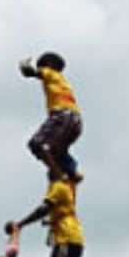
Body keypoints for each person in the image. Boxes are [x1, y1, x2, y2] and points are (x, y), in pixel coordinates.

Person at [7, 174, 84, 257]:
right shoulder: (67, 185)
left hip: (66, 237)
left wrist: (21, 224)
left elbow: (44, 209)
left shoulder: (58, 186)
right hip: (72, 237)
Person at [19, 52, 82, 183]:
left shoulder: (50, 73)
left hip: (62, 115)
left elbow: (30, 73)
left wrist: (24, 66)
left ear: (48, 65)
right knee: (57, 152)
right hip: (76, 121)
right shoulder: (62, 80)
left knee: (36, 144)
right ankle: (73, 171)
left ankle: (59, 175)